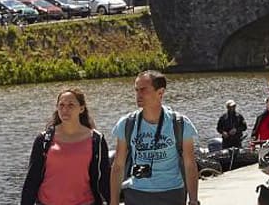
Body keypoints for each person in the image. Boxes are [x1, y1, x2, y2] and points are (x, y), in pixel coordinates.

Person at [110, 71, 199, 205]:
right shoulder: (127, 123)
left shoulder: (180, 123)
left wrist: (193, 200)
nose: (138, 95)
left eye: (143, 90)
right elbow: (118, 166)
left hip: (172, 193)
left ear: (160, 92)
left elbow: (190, 165)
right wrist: (114, 202)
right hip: (136, 194)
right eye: (136, 90)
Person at [22, 88, 111, 205]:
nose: (65, 110)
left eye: (71, 105)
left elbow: (104, 180)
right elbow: (31, 181)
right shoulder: (43, 140)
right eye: (61, 105)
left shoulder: (97, 140)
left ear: (81, 108)